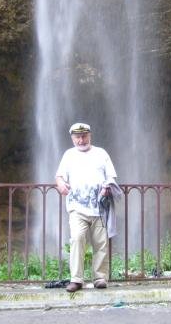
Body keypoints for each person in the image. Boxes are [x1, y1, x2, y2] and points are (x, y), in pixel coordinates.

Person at [55, 122, 118, 292]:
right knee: (77, 239)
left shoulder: (101, 153)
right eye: (77, 137)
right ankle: (76, 280)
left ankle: (100, 278)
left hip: (99, 208)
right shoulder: (68, 155)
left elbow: (111, 177)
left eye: (84, 136)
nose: (81, 140)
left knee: (101, 243)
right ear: (72, 138)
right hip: (77, 208)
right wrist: (60, 184)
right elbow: (59, 176)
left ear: (90, 135)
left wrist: (107, 187)